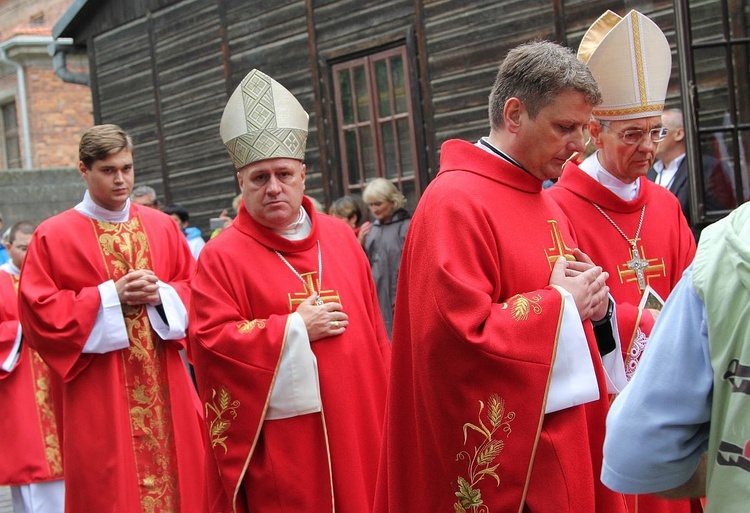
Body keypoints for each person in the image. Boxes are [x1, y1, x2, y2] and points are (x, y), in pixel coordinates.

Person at [374, 40, 629, 512]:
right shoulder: (453, 202)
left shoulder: (548, 200)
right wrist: (561, 305)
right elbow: (455, 342)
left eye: (584, 130)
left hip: (568, 443)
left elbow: (576, 307)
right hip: (518, 472)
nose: (580, 146)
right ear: (514, 115)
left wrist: (595, 308)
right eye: (565, 127)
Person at [189, 69, 391, 512]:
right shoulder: (221, 257)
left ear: (303, 175)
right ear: (240, 183)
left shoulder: (341, 238)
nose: (274, 187)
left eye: (283, 173)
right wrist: (293, 329)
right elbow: (208, 345)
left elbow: (377, 335)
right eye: (259, 178)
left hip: (359, 425)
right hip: (286, 443)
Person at [546, 11, 700, 513]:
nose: (649, 150)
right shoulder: (561, 208)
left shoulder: (665, 205)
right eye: (632, 135)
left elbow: (695, 293)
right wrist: (644, 324)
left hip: (672, 393)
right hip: (605, 401)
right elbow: (569, 314)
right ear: (594, 130)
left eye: (655, 133)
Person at [17, 124, 205, 512]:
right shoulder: (54, 235)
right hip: (99, 390)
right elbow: (38, 314)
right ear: (84, 170)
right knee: (108, 490)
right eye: (108, 170)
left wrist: (162, 295)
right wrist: (109, 296)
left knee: (185, 483)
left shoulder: (162, 226)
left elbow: (197, 290)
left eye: (127, 168)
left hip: (167, 380)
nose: (121, 179)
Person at [602, 201, 750, 512]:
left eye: (653, 145)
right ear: (599, 147)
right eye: (630, 145)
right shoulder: (563, 206)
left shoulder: (723, 245)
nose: (646, 149)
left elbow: (637, 450)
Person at [0, 221, 65, 513]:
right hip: (19, 382)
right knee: (32, 463)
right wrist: (22, 329)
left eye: (33, 248)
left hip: (57, 375)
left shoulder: (51, 278)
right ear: (8, 247)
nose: (29, 255)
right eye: (23, 248)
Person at [647, 108, 729, 240]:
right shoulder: (648, 173)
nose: (651, 139)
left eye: (657, 132)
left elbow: (717, 220)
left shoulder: (705, 167)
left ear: (679, 134)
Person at [361, 178, 411, 337]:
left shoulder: (407, 226)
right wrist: (359, 244)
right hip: (378, 294)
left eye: (378, 203)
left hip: (400, 293)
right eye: (370, 205)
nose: (374, 209)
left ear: (392, 201)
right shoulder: (372, 229)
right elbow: (364, 264)